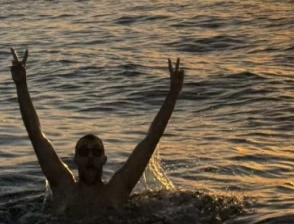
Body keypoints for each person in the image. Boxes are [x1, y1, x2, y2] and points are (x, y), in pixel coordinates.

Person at [9, 48, 185, 215]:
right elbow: (35, 133)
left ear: (104, 160)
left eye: (96, 152)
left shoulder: (117, 189)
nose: (90, 157)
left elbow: (151, 138)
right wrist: (21, 85)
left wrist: (174, 93)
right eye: (84, 152)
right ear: (76, 159)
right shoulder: (64, 187)